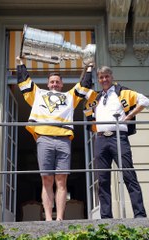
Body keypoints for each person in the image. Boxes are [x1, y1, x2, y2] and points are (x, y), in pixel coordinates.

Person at [16, 56, 93, 221]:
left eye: (57, 82)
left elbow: (84, 86)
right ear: (47, 83)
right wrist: (20, 63)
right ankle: (49, 219)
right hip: (44, 139)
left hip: (64, 139)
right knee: (46, 179)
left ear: (62, 84)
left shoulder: (69, 97)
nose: (54, 84)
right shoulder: (38, 94)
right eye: (52, 82)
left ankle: (59, 219)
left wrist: (89, 68)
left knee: (61, 180)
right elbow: (24, 82)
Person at [84, 66, 149, 219]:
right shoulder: (96, 97)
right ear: (98, 80)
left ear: (111, 77)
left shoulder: (122, 91)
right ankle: (106, 217)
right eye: (101, 77)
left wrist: (130, 116)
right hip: (100, 138)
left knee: (129, 175)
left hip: (118, 137)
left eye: (106, 76)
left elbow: (145, 101)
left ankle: (140, 215)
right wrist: (88, 67)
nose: (104, 80)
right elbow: (82, 87)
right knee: (103, 179)